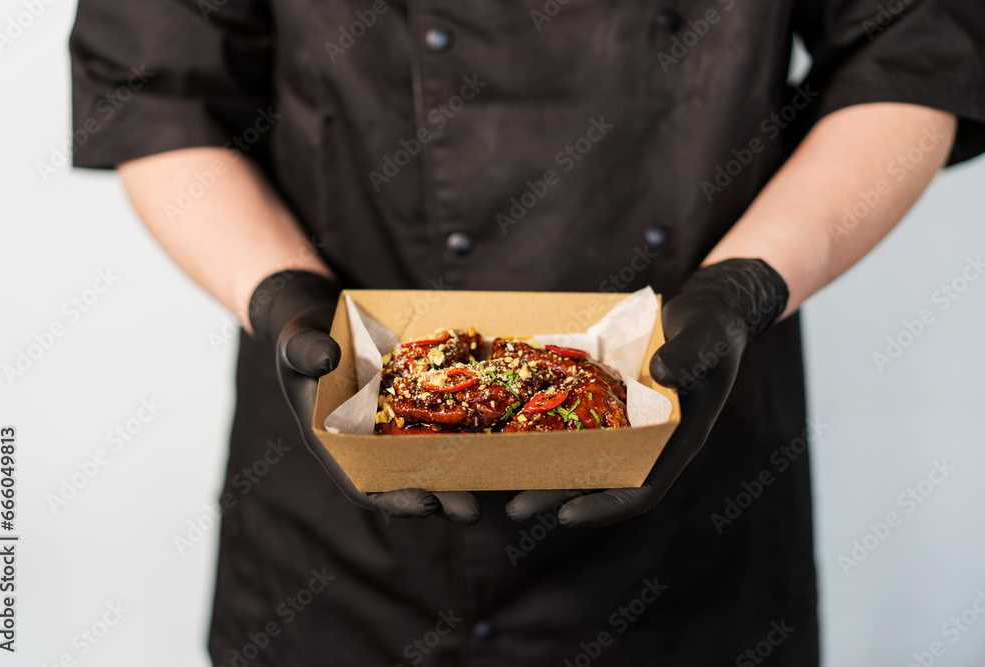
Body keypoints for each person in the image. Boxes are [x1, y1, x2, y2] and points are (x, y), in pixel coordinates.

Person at [69, 1, 984, 664]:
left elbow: (914, 49)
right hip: (339, 536)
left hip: (697, 493)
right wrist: (281, 297)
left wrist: (747, 286)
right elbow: (160, 85)